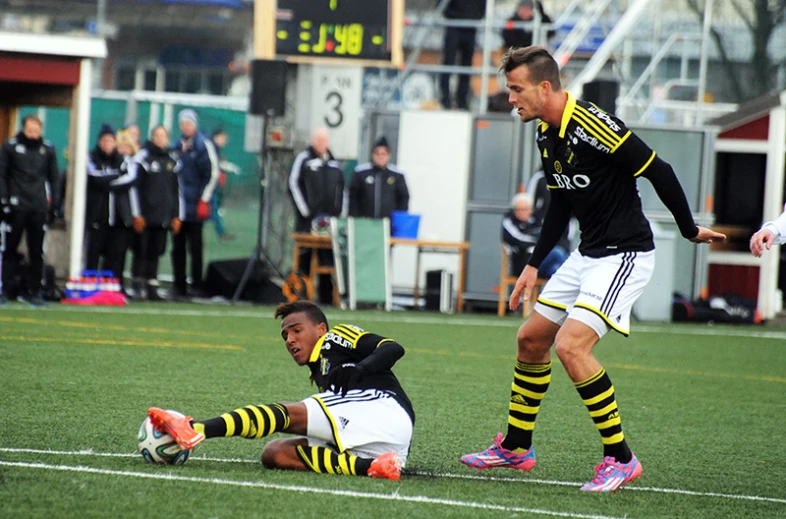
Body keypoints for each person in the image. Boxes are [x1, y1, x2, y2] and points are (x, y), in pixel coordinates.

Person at [459, 47, 726, 492]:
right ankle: (516, 447)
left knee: (571, 347)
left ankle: (621, 458)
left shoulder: (594, 125)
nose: (510, 99)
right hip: (588, 254)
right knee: (530, 339)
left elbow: (658, 169)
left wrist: (687, 228)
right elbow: (560, 201)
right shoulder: (546, 131)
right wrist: (532, 265)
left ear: (545, 87)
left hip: (625, 255)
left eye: (515, 89)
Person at [146, 300, 413, 480]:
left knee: (288, 413)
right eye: (285, 335)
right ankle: (373, 466)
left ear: (321, 329)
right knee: (276, 453)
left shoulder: (334, 339)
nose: (290, 340)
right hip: (384, 443)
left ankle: (196, 429)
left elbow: (393, 348)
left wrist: (362, 368)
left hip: (384, 409)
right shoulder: (319, 371)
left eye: (297, 330)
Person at [0, 114, 60, 307]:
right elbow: (2, 174)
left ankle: (34, 290)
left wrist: (54, 205)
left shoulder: (47, 149)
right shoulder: (10, 147)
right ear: (23, 129)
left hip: (38, 206)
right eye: (30, 131)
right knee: (9, 247)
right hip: (16, 205)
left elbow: (54, 178)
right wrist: (4, 200)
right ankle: (5, 288)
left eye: (36, 131)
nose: (33, 135)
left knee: (36, 251)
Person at [289, 128, 345, 304]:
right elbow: (293, 184)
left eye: (324, 140)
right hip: (307, 221)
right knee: (304, 257)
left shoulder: (334, 163)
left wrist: (339, 212)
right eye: (319, 140)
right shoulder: (304, 159)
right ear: (313, 140)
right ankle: (300, 296)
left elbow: (342, 189)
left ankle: (327, 298)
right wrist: (305, 211)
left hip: (329, 222)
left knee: (327, 259)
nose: (322, 144)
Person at [84, 124, 142, 288]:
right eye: (104, 140)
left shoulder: (123, 160)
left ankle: (113, 288)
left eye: (110, 140)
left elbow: (130, 178)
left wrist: (107, 183)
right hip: (97, 216)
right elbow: (94, 177)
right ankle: (89, 287)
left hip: (118, 219)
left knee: (116, 256)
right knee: (92, 256)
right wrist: (116, 174)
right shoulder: (91, 157)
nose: (107, 144)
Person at [170, 109, 219, 298]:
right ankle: (178, 284)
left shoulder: (203, 145)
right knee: (178, 247)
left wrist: (204, 199)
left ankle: (197, 285)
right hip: (179, 208)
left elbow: (212, 173)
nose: (186, 127)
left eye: (189, 123)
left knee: (196, 247)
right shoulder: (176, 147)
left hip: (196, 205)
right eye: (183, 123)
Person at [132, 125, 182, 301]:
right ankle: (137, 286)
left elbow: (176, 191)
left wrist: (176, 215)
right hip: (145, 216)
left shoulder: (172, 162)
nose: (161, 139)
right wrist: (137, 213)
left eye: (164, 136)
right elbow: (135, 188)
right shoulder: (143, 158)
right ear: (152, 137)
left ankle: (152, 287)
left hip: (163, 216)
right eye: (158, 135)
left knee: (156, 251)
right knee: (141, 250)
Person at [502, 193, 567, 279]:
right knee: (557, 253)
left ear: (531, 210)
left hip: (542, 261)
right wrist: (540, 241)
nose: (521, 212)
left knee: (556, 270)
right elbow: (519, 240)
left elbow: (550, 235)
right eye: (518, 209)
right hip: (524, 262)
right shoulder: (509, 221)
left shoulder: (538, 219)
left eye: (525, 209)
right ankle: (578, 274)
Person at [440, 0, 485, 110]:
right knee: (448, 62)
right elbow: (442, 5)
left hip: (470, 28)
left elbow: (483, 7)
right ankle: (445, 99)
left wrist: (474, 18)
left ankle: (462, 100)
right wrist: (453, 17)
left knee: (466, 65)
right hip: (453, 27)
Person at [349, 136, 409, 219]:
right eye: (377, 153)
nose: (380, 157)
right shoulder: (361, 173)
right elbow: (352, 197)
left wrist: (399, 219)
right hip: (365, 222)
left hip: (388, 223)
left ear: (388, 156)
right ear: (373, 154)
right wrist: (355, 217)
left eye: (383, 154)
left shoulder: (397, 175)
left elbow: (403, 198)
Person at [209, 128, 235, 241]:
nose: (225, 141)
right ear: (217, 137)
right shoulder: (210, 148)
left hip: (211, 185)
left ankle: (221, 232)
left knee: (214, 209)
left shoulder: (216, 150)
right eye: (223, 138)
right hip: (206, 185)